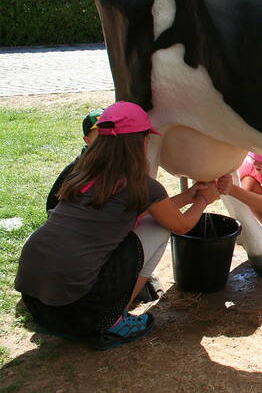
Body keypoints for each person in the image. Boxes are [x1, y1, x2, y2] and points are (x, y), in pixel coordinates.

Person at [15, 101, 219, 350]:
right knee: (158, 227)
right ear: (139, 143)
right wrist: (204, 200)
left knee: (144, 223)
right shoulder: (142, 186)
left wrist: (190, 196)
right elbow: (182, 226)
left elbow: (148, 208)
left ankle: (106, 312)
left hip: (38, 306)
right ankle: (113, 320)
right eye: (146, 139)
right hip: (77, 315)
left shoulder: (80, 173)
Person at [46, 107, 103, 212]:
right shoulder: (81, 167)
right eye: (100, 137)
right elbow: (53, 205)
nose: (108, 141)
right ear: (87, 141)